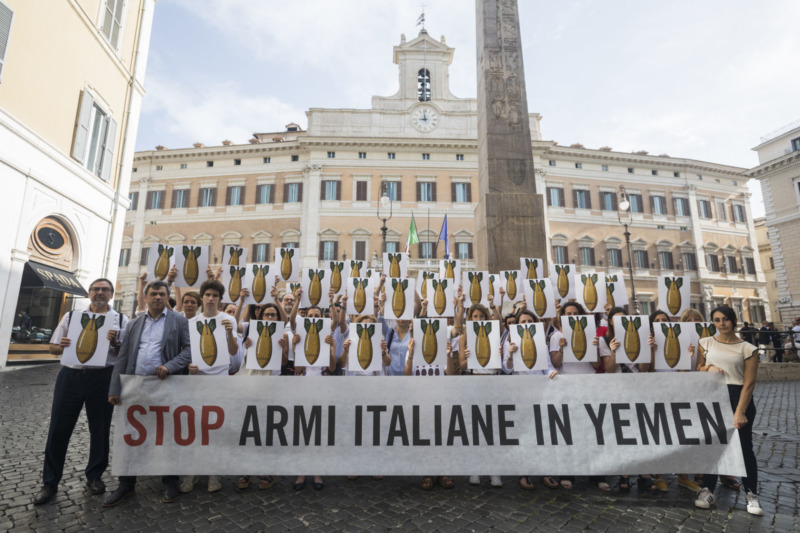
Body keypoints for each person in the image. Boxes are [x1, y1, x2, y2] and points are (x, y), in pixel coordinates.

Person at [33, 279, 129, 505]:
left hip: (103, 378)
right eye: (96, 289)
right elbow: (53, 347)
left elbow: (124, 352)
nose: (100, 293)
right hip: (71, 377)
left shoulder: (122, 320)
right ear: (89, 293)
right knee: (58, 429)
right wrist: (63, 345)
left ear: (111, 295)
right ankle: (50, 482)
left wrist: (115, 343)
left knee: (100, 429)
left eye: (105, 290)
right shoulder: (72, 317)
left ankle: (94, 476)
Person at [102, 281, 192, 507]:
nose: (158, 297)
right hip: (135, 385)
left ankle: (170, 480)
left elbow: (189, 350)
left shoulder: (178, 321)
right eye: (154, 294)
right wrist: (115, 387)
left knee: (168, 434)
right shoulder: (133, 323)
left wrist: (170, 366)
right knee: (131, 435)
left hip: (166, 385)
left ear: (167, 297)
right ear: (146, 297)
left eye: (162, 294)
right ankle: (126, 483)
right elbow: (123, 356)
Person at [694, 306, 763, 516]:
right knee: (712, 446)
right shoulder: (704, 343)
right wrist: (709, 368)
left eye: (725, 319)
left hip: (737, 397)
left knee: (744, 448)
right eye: (716, 320)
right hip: (712, 398)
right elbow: (698, 369)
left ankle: (751, 494)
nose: (721, 323)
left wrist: (740, 411)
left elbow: (749, 384)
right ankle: (707, 490)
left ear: (733, 321)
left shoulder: (748, 348)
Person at [179, 279, 240, 494]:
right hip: (197, 381)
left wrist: (230, 333)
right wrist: (189, 366)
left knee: (216, 428)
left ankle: (214, 473)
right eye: (208, 295)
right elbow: (187, 353)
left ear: (220, 300)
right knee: (195, 428)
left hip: (220, 381)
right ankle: (192, 472)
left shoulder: (228, 320)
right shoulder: (192, 322)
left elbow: (233, 352)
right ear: (202, 298)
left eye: (215, 295)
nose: (211, 299)